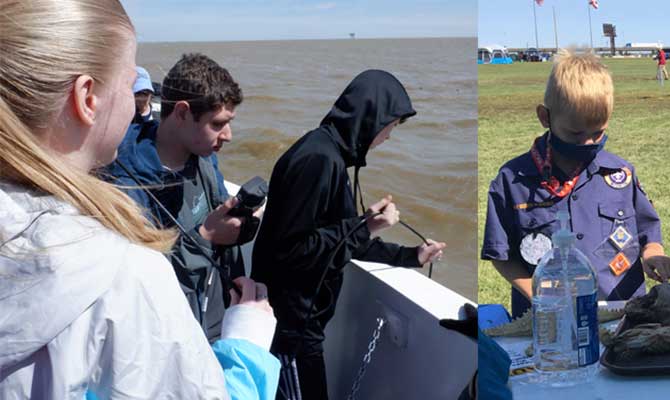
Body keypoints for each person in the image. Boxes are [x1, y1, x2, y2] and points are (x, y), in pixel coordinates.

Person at [0, 1, 278, 398]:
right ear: (87, 98)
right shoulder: (127, 264)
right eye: (129, 83)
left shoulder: (202, 163)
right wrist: (248, 346)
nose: (138, 105)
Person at [251, 70, 446, 400]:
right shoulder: (318, 159)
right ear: (372, 117)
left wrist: (412, 256)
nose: (389, 136)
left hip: (301, 326)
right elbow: (290, 251)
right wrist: (366, 225)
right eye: (392, 125)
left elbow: (342, 239)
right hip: (291, 329)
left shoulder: (329, 154)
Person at [482, 49, 670, 317]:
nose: (588, 143)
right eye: (575, 134)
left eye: (598, 133)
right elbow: (501, 255)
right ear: (545, 117)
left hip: (623, 314)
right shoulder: (513, 180)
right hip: (549, 321)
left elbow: (648, 232)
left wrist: (653, 255)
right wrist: (538, 296)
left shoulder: (620, 175)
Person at [105, 53, 253, 341]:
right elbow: (138, 283)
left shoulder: (203, 157)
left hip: (206, 314)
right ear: (183, 113)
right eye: (218, 124)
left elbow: (216, 205)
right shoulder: (125, 186)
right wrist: (206, 236)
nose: (228, 135)